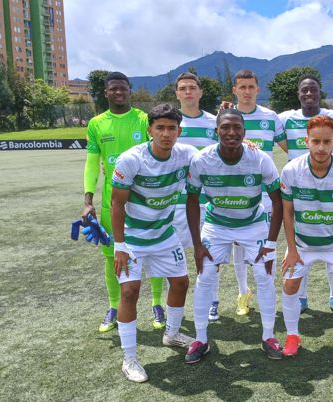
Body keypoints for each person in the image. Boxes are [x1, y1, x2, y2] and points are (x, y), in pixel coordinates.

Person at [186, 108, 284, 361]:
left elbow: (278, 201)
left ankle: (268, 336)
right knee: (205, 276)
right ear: (216, 131)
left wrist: (271, 243)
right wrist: (197, 244)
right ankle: (200, 339)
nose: (231, 132)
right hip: (216, 225)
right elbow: (192, 201)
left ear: (244, 131)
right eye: (225, 127)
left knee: (264, 276)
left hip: (253, 223)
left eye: (237, 127)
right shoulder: (202, 160)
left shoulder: (260, 158)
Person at [110, 104, 197, 382]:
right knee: (129, 292)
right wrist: (119, 246)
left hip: (164, 235)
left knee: (181, 283)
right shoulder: (131, 159)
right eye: (160, 128)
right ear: (150, 130)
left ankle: (172, 334)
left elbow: (213, 156)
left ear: (179, 131)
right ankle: (130, 359)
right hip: (133, 238)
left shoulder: (186, 155)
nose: (166, 134)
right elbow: (116, 204)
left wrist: (247, 144)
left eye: (172, 128)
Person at [82, 71, 165, 333]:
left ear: (130, 91)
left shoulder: (143, 120)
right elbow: (92, 163)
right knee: (112, 256)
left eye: (123, 88)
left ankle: (156, 303)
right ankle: (114, 307)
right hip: (112, 202)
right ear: (105, 92)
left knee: (153, 253)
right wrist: (88, 200)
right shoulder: (96, 123)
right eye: (113, 89)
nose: (118, 92)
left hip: (145, 201)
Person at [280, 115, 333, 358]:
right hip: (302, 244)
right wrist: (292, 250)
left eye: (327, 142)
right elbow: (287, 213)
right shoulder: (291, 170)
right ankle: (292, 335)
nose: (321, 148)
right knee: (290, 284)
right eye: (316, 141)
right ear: (306, 141)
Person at [278, 73, 333, 315]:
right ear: (298, 93)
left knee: (330, 237)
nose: (308, 93)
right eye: (304, 90)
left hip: (330, 184)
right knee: (301, 241)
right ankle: (301, 297)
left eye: (313, 89)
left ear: (320, 92)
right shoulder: (285, 118)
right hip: (299, 187)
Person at [229, 70, 286, 317]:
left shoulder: (270, 117)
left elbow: (290, 147)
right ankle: (243, 292)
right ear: (234, 90)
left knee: (265, 244)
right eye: (242, 87)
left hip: (265, 195)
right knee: (238, 245)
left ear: (257, 89)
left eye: (251, 87)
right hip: (236, 192)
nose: (247, 91)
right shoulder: (226, 115)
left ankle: (266, 292)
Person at [170, 72, 221, 322]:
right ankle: (174, 306)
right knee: (174, 255)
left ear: (200, 92)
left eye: (192, 87)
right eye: (183, 88)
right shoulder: (171, 123)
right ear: (177, 94)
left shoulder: (213, 122)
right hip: (178, 201)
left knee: (209, 253)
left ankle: (212, 300)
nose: (188, 92)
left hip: (207, 200)